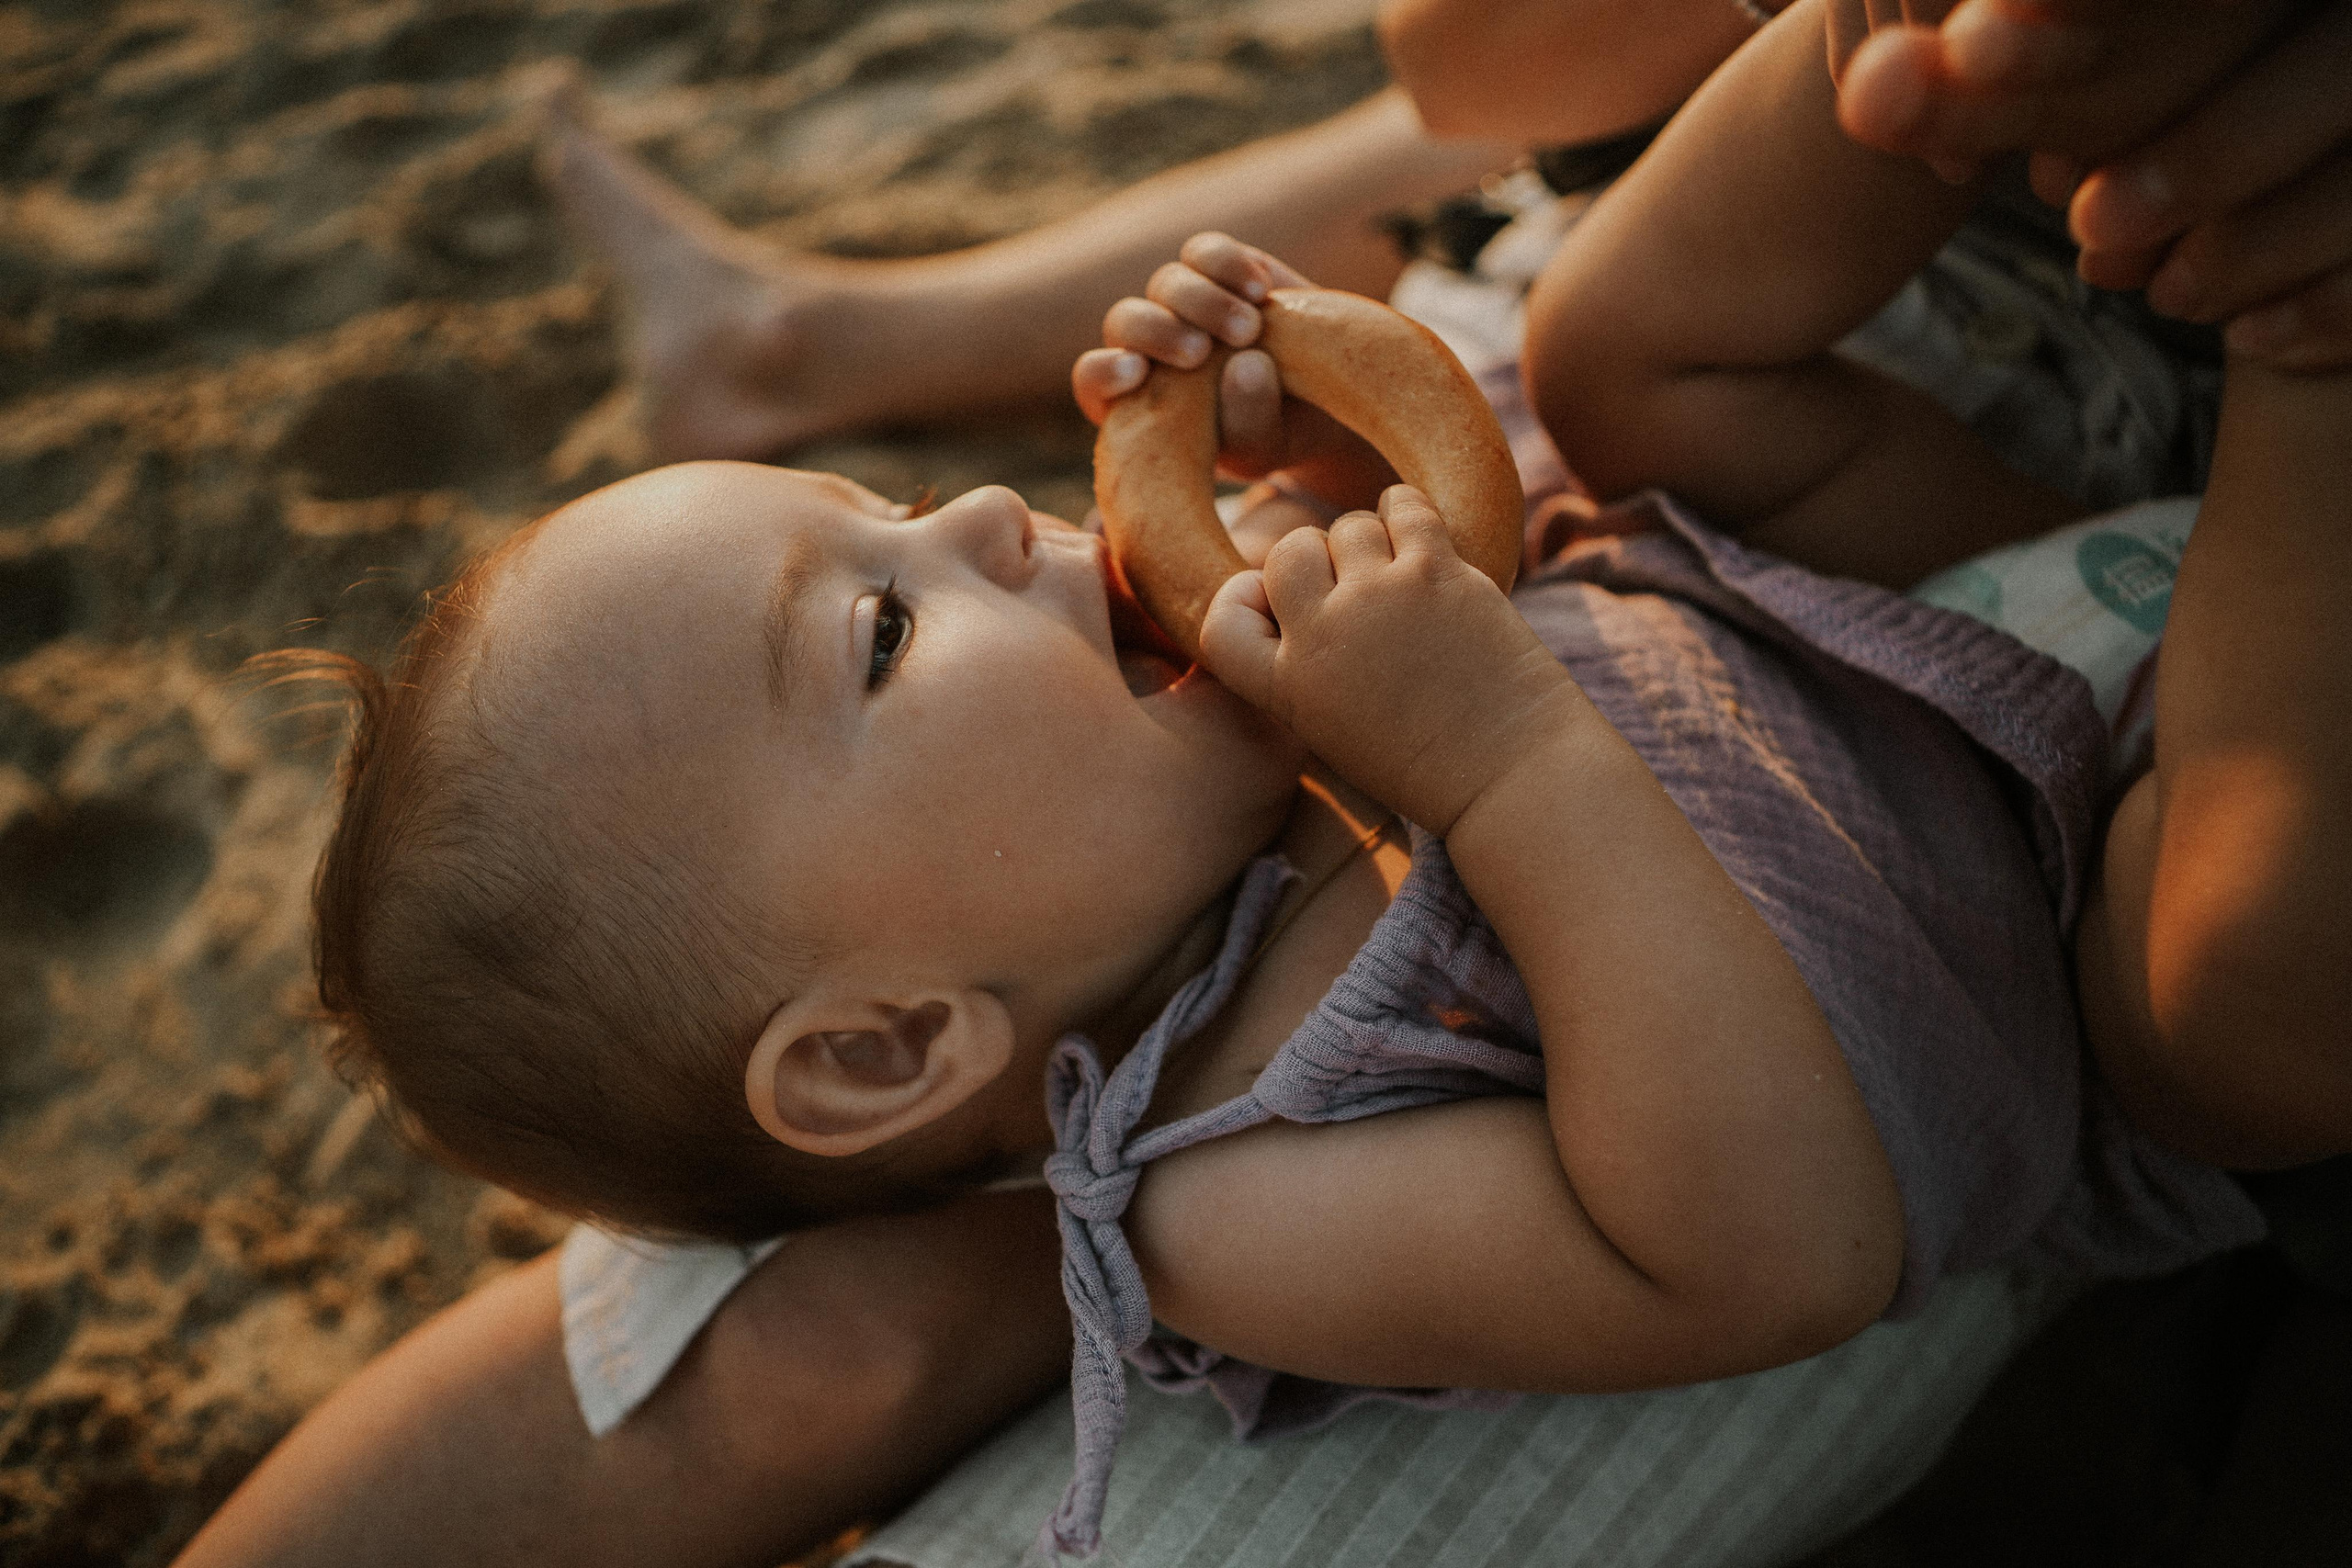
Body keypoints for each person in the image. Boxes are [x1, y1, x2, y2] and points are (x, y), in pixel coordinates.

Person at [173, 6, 2352, 1568]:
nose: (993, 513)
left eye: (899, 506)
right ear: (889, 1043)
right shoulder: (1232, 1203)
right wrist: (1498, 754)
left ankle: (1925, 53)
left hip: (1844, 600)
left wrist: (1294, 430)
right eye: (883, 630)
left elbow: (1471, 528)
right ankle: (2304, 336)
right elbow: (1773, 1240)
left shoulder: (1215, 765)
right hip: (2060, 950)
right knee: (2238, 1014)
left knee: (1605, 353)